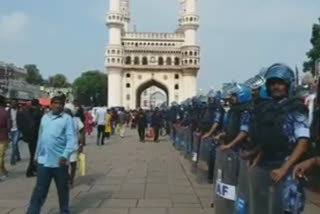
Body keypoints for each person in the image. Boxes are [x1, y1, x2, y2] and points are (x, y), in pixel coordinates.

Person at [249, 64, 310, 214]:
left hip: (287, 167)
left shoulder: (296, 108)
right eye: (272, 83)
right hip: (266, 167)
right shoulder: (267, 108)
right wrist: (256, 161)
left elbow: (302, 143)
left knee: (287, 209)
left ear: (288, 85)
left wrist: (284, 169)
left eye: (280, 83)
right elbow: (267, 139)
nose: (276, 87)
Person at [27, 95, 77, 214]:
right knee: (40, 190)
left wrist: (65, 155)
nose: (58, 105)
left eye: (61, 104)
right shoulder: (45, 117)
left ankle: (64, 210)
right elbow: (41, 137)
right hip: (43, 161)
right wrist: (36, 156)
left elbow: (71, 140)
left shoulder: (67, 119)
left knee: (62, 190)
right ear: (51, 104)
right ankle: (33, 211)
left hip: (59, 161)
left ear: (63, 106)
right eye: (56, 103)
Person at [18, 99, 43, 177]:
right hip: (36, 136)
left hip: (29, 135)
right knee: (34, 154)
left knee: (32, 153)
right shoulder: (38, 113)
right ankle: (30, 171)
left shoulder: (26, 112)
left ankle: (33, 169)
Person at [64, 103, 84, 188]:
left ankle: (71, 180)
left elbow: (82, 132)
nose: (66, 112)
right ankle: (68, 177)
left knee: (73, 164)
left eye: (68, 111)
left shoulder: (76, 120)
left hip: (74, 146)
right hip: (63, 146)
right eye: (65, 111)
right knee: (64, 165)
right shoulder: (61, 119)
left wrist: (81, 144)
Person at [9, 98, 21, 165]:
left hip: (17, 129)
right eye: (12, 102)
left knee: (14, 144)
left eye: (15, 102)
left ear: (17, 103)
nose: (14, 103)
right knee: (15, 144)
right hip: (10, 130)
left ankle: (12, 159)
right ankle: (18, 156)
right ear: (11, 103)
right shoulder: (8, 111)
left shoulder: (20, 111)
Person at [0, 95, 10, 181]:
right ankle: (2, 171)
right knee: (1, 156)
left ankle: (3, 170)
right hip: (3, 137)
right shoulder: (5, 112)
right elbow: (9, 126)